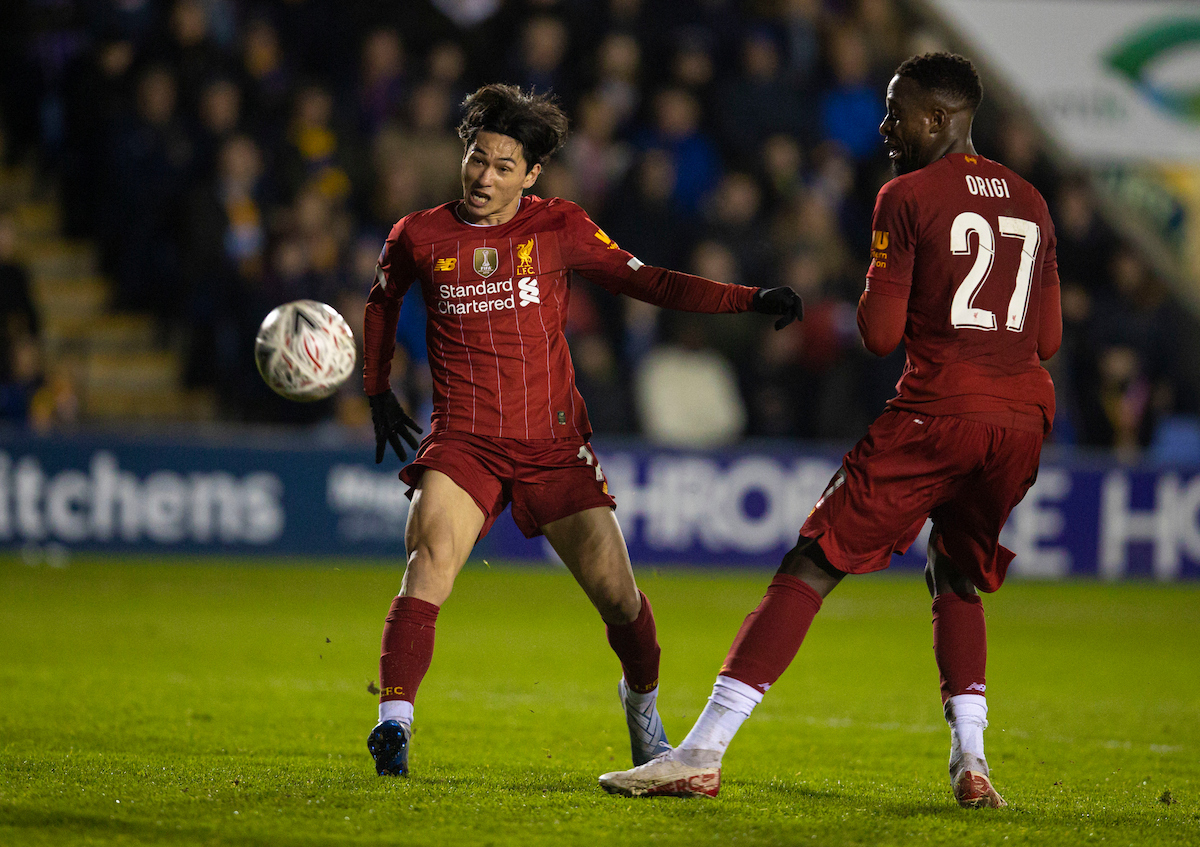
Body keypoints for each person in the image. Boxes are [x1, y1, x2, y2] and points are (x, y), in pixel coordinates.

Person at [598, 52, 1062, 808]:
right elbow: (1046, 334)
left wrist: (896, 289)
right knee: (957, 573)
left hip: (937, 409)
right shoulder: (1033, 201)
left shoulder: (905, 195)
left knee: (812, 562)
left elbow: (878, 333)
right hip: (1019, 421)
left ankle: (702, 750)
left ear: (940, 119)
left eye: (898, 110)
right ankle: (971, 760)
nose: (885, 126)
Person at [362, 83, 803, 777]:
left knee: (622, 601)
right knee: (429, 559)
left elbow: (649, 282)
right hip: (465, 439)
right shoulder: (418, 234)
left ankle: (641, 706)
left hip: (554, 447)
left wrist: (746, 298)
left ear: (531, 175)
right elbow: (381, 305)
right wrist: (377, 389)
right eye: (478, 159)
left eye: (504, 166)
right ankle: (394, 726)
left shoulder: (559, 226)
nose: (484, 177)